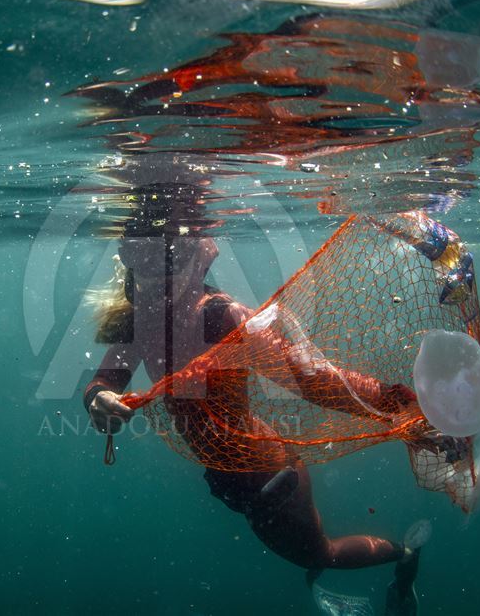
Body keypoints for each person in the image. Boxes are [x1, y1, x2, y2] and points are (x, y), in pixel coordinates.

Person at [82, 189, 421, 615]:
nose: (158, 275)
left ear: (200, 258)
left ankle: (405, 556)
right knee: (308, 552)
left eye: (171, 259)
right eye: (144, 259)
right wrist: (100, 400)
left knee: (320, 555)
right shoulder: (139, 320)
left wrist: (401, 406)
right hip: (234, 476)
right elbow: (105, 379)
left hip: (269, 479)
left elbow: (313, 381)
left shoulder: (222, 316)